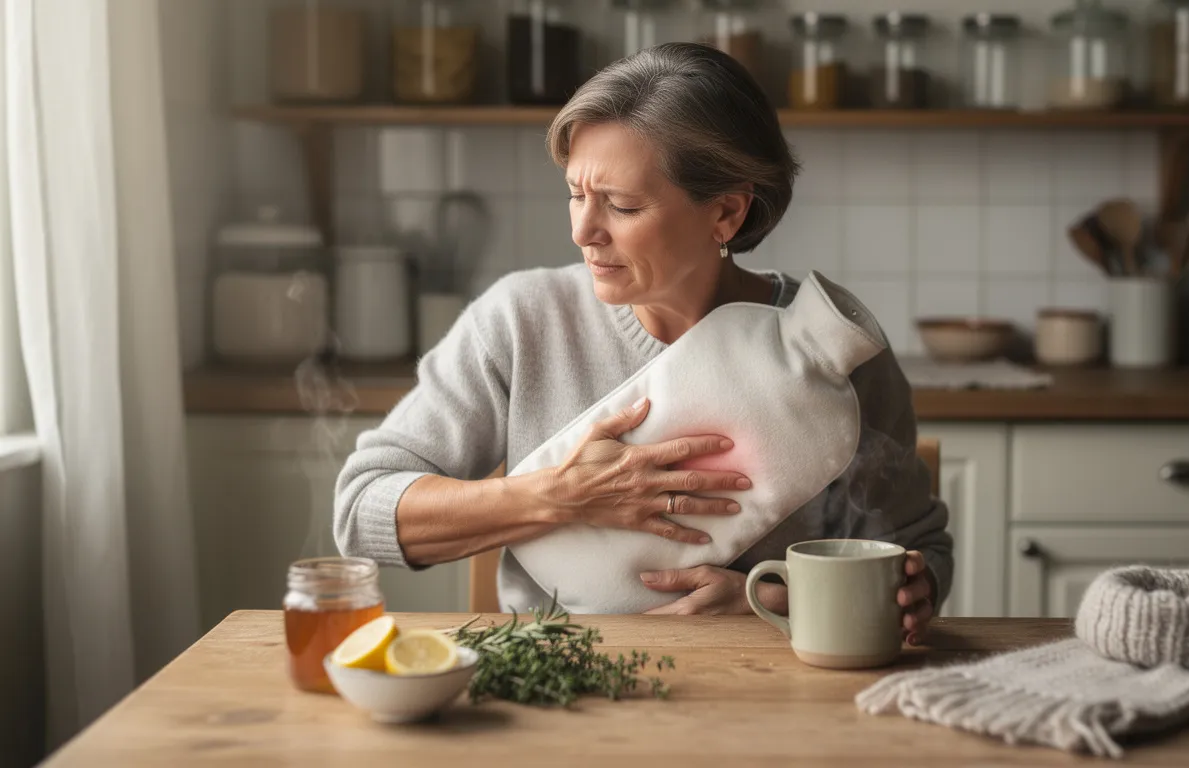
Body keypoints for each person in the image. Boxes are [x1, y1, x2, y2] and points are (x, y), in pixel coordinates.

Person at [334, 43, 952, 644]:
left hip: (770, 693)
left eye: (621, 206)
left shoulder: (834, 363)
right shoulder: (521, 321)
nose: (583, 230)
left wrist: (772, 598)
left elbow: (916, 554)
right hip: (558, 680)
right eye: (576, 194)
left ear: (726, 214)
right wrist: (557, 496)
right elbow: (362, 513)